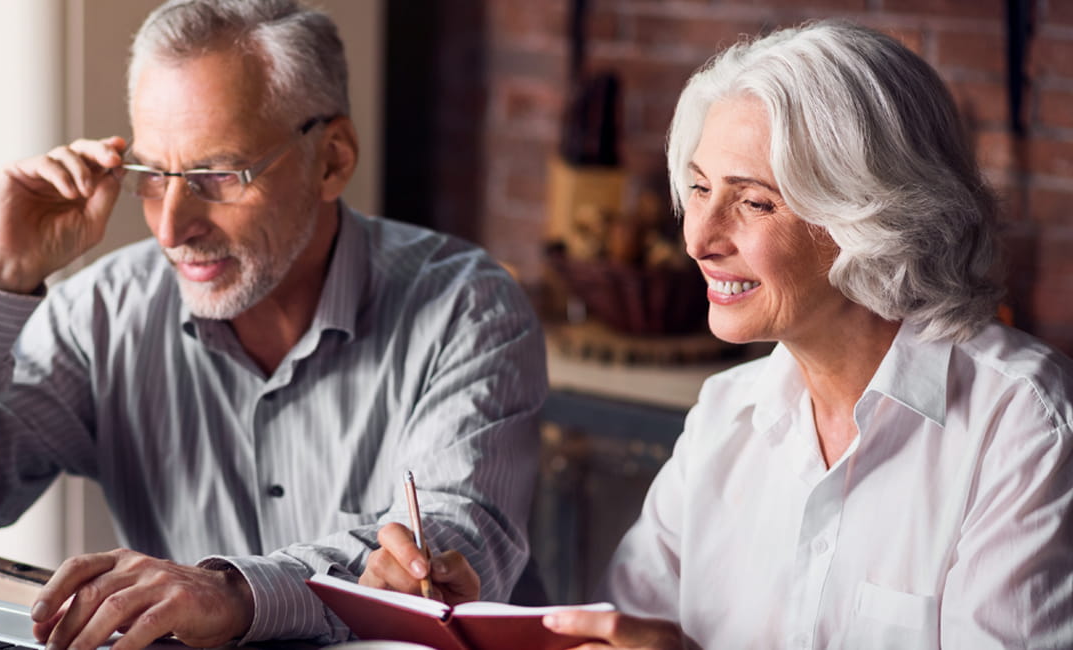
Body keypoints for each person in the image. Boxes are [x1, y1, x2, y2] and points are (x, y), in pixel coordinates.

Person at [364, 20, 1073, 649]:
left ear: (871, 217)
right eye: (699, 189)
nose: (699, 238)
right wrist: (477, 621)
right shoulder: (723, 416)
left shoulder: (1021, 425)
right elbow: (622, 629)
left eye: (753, 202)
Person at [0, 0, 545, 648]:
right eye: (152, 175)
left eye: (217, 175)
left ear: (331, 159)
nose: (169, 227)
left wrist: (233, 593)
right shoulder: (102, 314)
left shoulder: (466, 308)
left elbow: (457, 551)